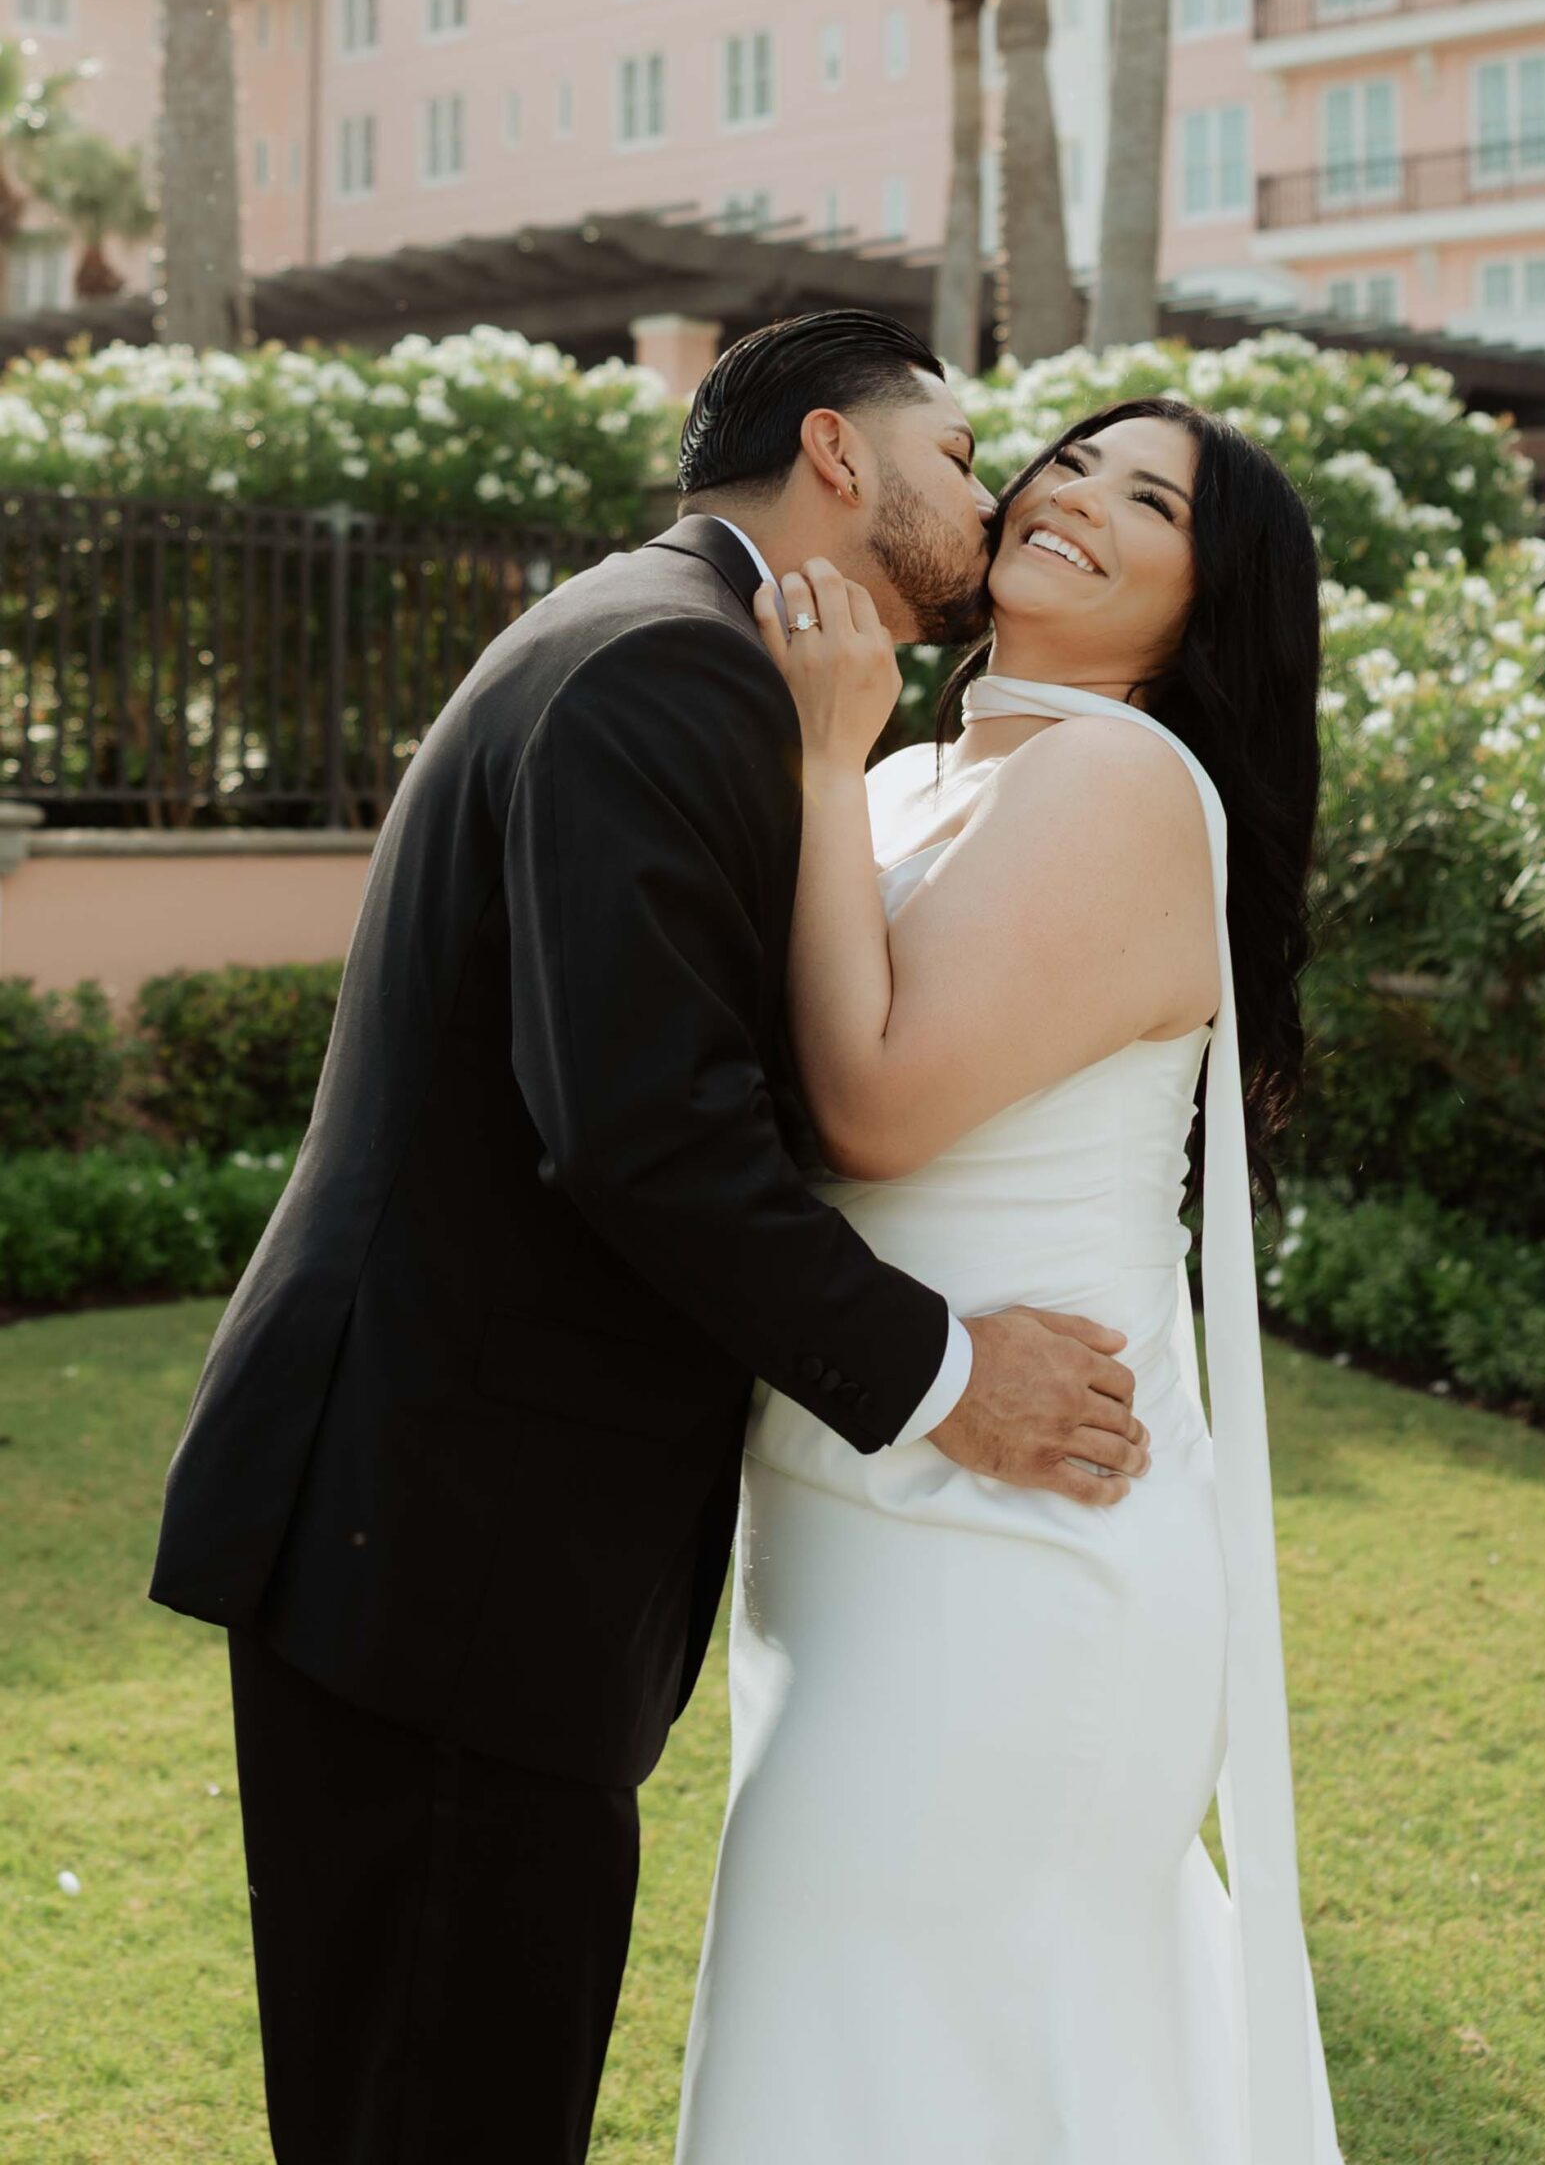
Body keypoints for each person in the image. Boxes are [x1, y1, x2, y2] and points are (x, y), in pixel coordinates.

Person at [146, 309, 1150, 2165]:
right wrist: (949, 1376)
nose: (990, 495)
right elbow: (646, 1138)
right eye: (955, 455)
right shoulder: (668, 669)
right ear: (836, 453)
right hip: (453, 1552)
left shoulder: (670, 642)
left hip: (441, 1537)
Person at [674, 395, 1345, 2163]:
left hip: (1022, 1535)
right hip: (855, 1499)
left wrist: (821, 760)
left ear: (1211, 608)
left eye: (1154, 505)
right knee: (871, 2038)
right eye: (1073, 461)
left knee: (930, 2040)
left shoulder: (1119, 782)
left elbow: (875, 1108)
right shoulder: (919, 777)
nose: (1078, 498)